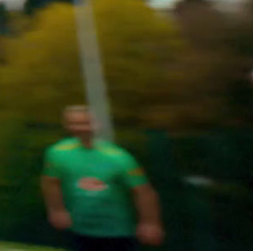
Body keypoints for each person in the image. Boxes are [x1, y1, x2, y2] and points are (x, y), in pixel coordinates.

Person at [41, 105, 164, 250]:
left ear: (96, 124)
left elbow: (143, 191)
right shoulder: (57, 153)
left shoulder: (119, 157)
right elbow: (50, 181)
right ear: (67, 125)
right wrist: (56, 210)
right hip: (79, 229)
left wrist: (150, 223)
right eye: (75, 123)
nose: (81, 128)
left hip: (116, 232)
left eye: (86, 122)